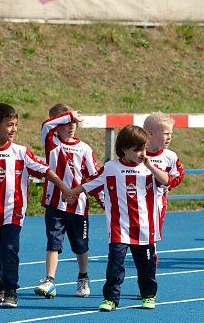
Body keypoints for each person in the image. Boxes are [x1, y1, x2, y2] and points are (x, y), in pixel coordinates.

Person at [0, 103, 73, 308]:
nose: (14, 129)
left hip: (13, 212)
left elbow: (45, 170)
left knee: (9, 249)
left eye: (16, 124)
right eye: (9, 125)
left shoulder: (21, 152)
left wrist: (64, 187)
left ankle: (11, 291)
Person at [68, 125, 169, 312]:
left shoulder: (150, 168)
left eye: (144, 148)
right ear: (124, 149)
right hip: (118, 227)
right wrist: (72, 193)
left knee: (146, 265)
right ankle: (111, 299)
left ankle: (148, 295)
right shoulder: (110, 168)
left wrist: (149, 165)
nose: (142, 153)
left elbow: (166, 181)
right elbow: (91, 184)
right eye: (137, 150)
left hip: (144, 227)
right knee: (115, 265)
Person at [34, 104, 104, 299]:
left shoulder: (85, 148)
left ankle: (83, 277)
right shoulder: (52, 143)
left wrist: (104, 200)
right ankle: (49, 279)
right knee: (53, 242)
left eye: (73, 122)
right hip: (54, 203)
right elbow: (46, 126)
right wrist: (66, 116)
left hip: (78, 205)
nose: (71, 125)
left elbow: (93, 177)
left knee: (80, 245)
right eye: (66, 122)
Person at [133, 112, 185, 299]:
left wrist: (167, 183)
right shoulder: (136, 153)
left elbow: (178, 174)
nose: (169, 137)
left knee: (149, 247)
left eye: (171, 133)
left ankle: (147, 286)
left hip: (154, 210)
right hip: (131, 208)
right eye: (165, 133)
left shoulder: (170, 156)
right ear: (150, 132)